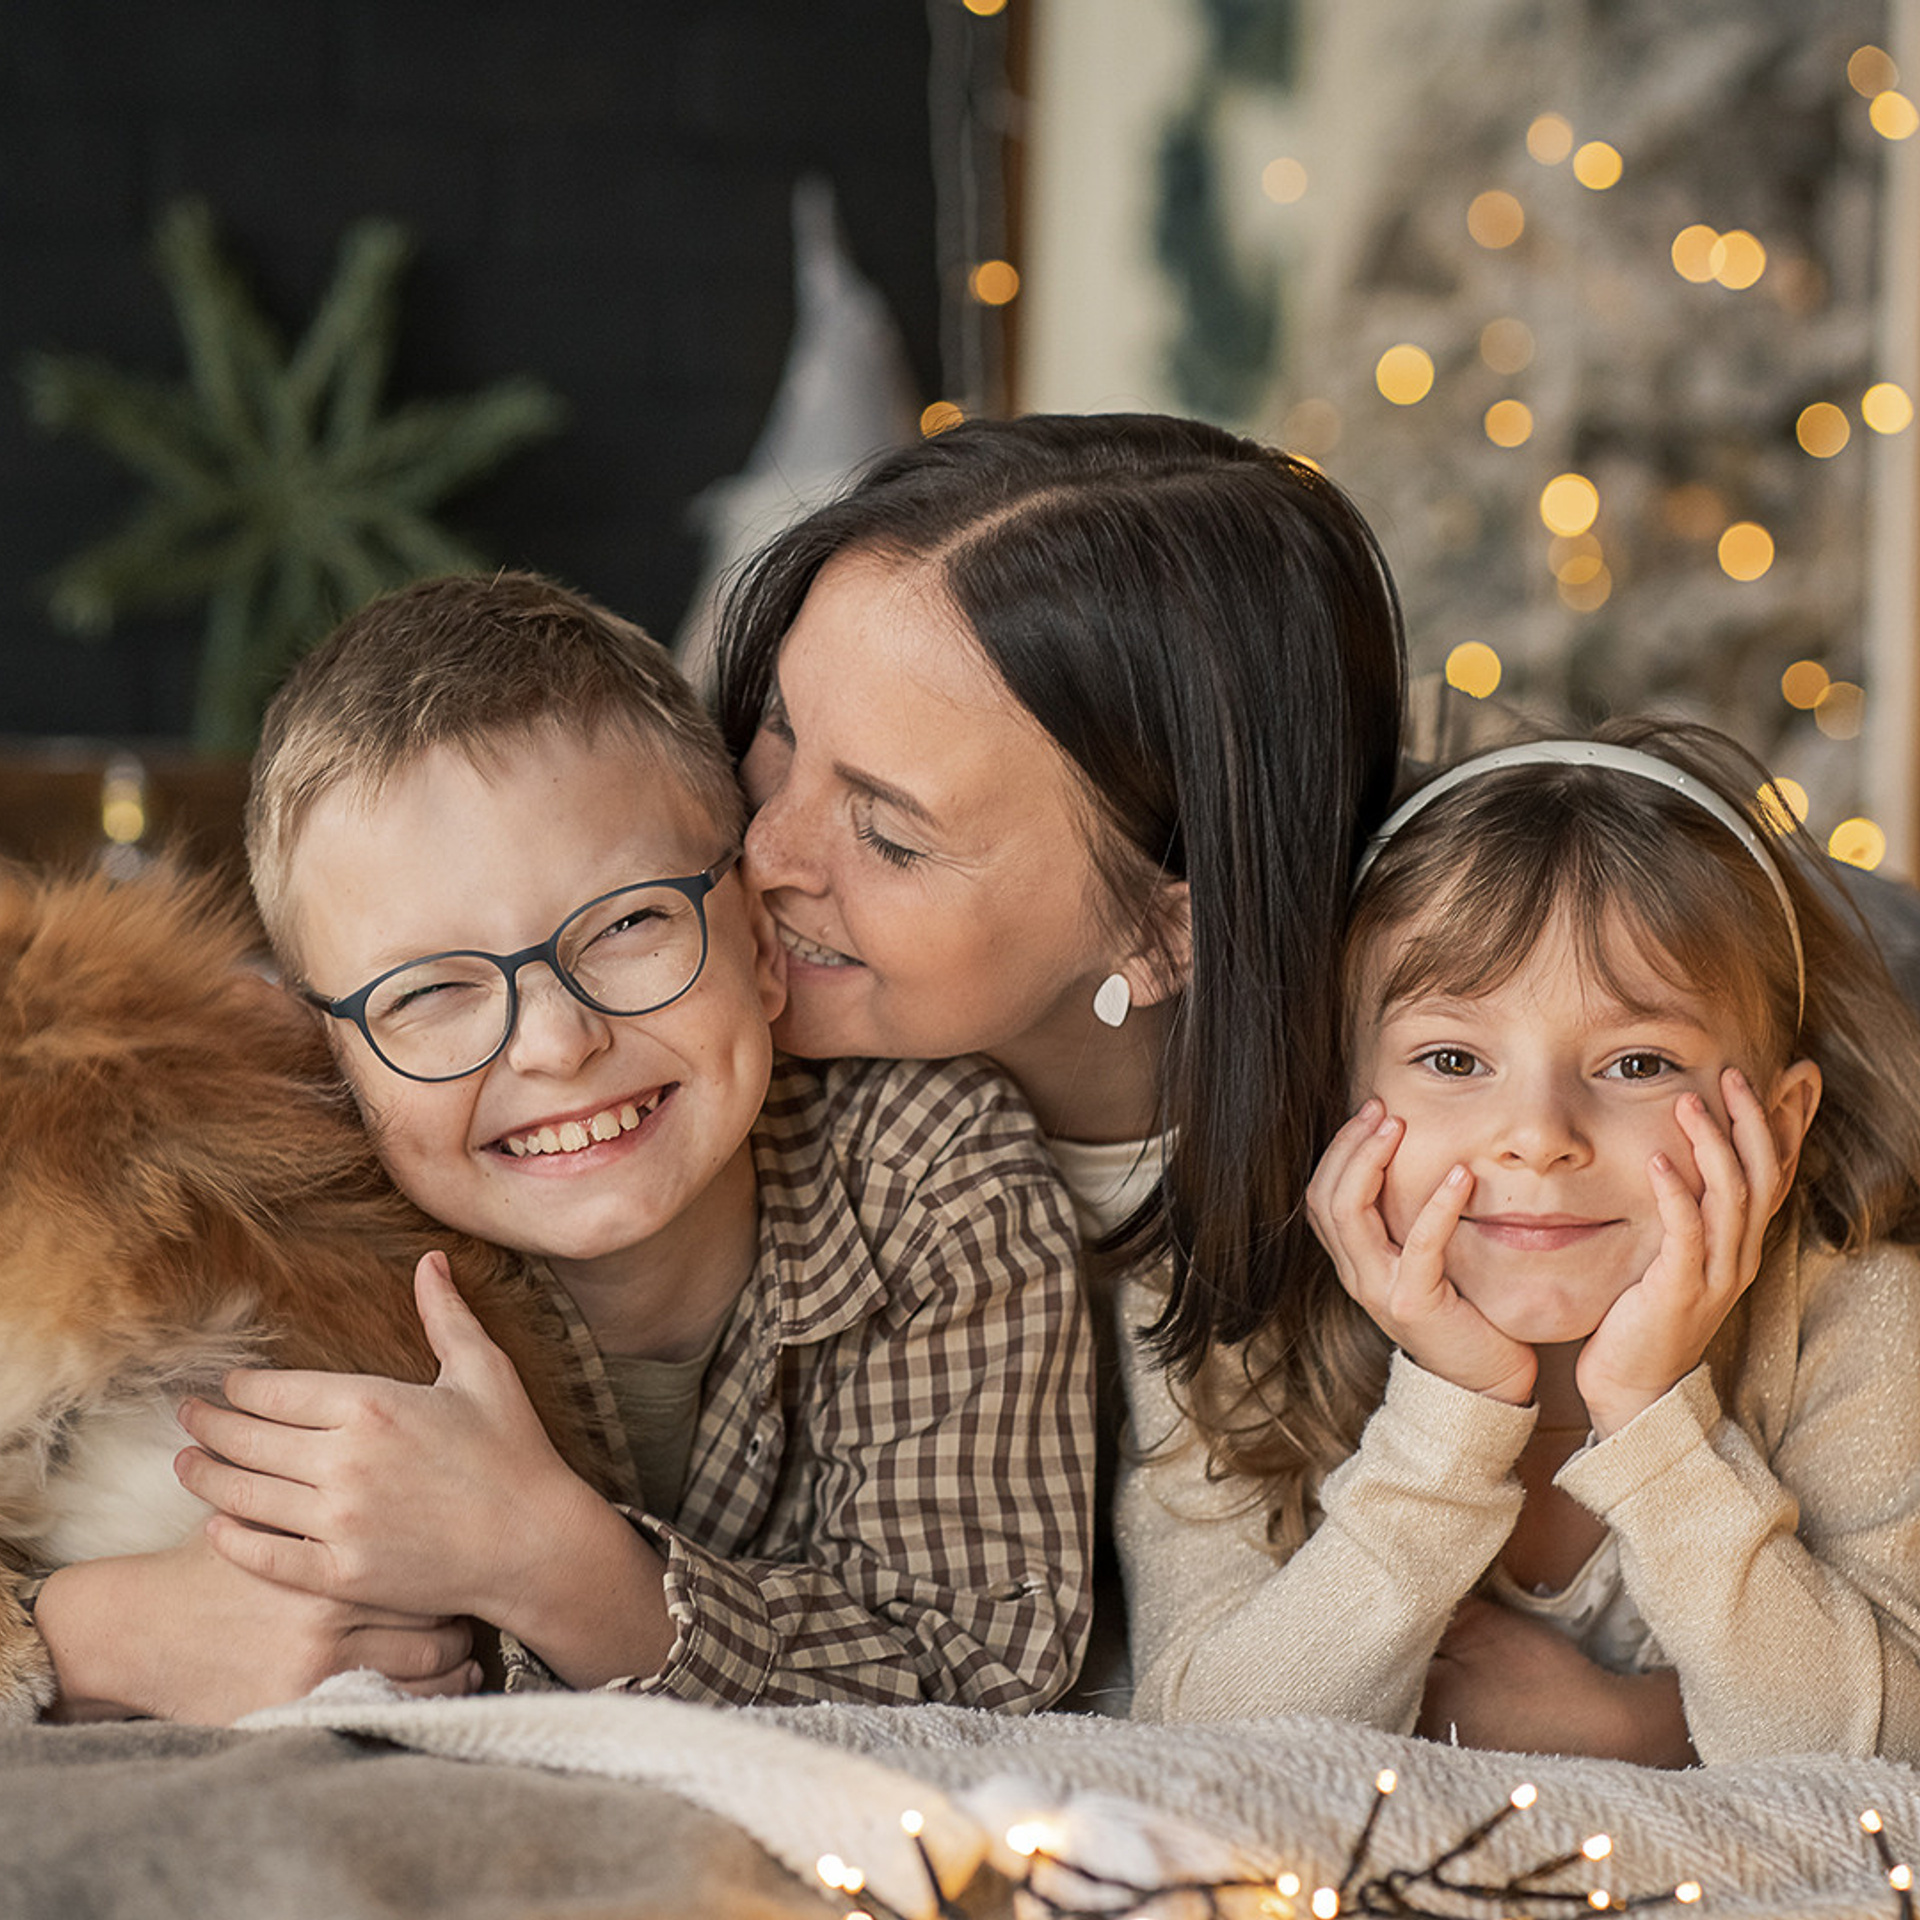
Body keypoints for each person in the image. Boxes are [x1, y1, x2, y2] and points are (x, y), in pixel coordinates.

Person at [31, 571, 1094, 1720]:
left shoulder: (932, 1181)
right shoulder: (268, 1223)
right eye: (426, 992)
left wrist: (545, 1563)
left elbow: (982, 1665)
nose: (557, 1042)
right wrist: (102, 1636)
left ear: (762, 938)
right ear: (323, 1056)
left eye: (630, 923)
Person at [712, 409, 1407, 1703]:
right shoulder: (690, 1053)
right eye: (779, 732)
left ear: (1159, 928)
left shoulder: (1428, 1152)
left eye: (890, 834)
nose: (765, 856)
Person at [1121, 719, 1920, 1765]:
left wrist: (1652, 1419)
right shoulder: (1225, 1309)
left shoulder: (1860, 1324)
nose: (1540, 1136)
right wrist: (1453, 1415)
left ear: (1774, 1123)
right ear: (1334, 1095)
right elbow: (1196, 1746)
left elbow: (1883, 1756)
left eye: (1637, 1064)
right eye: (1453, 1057)